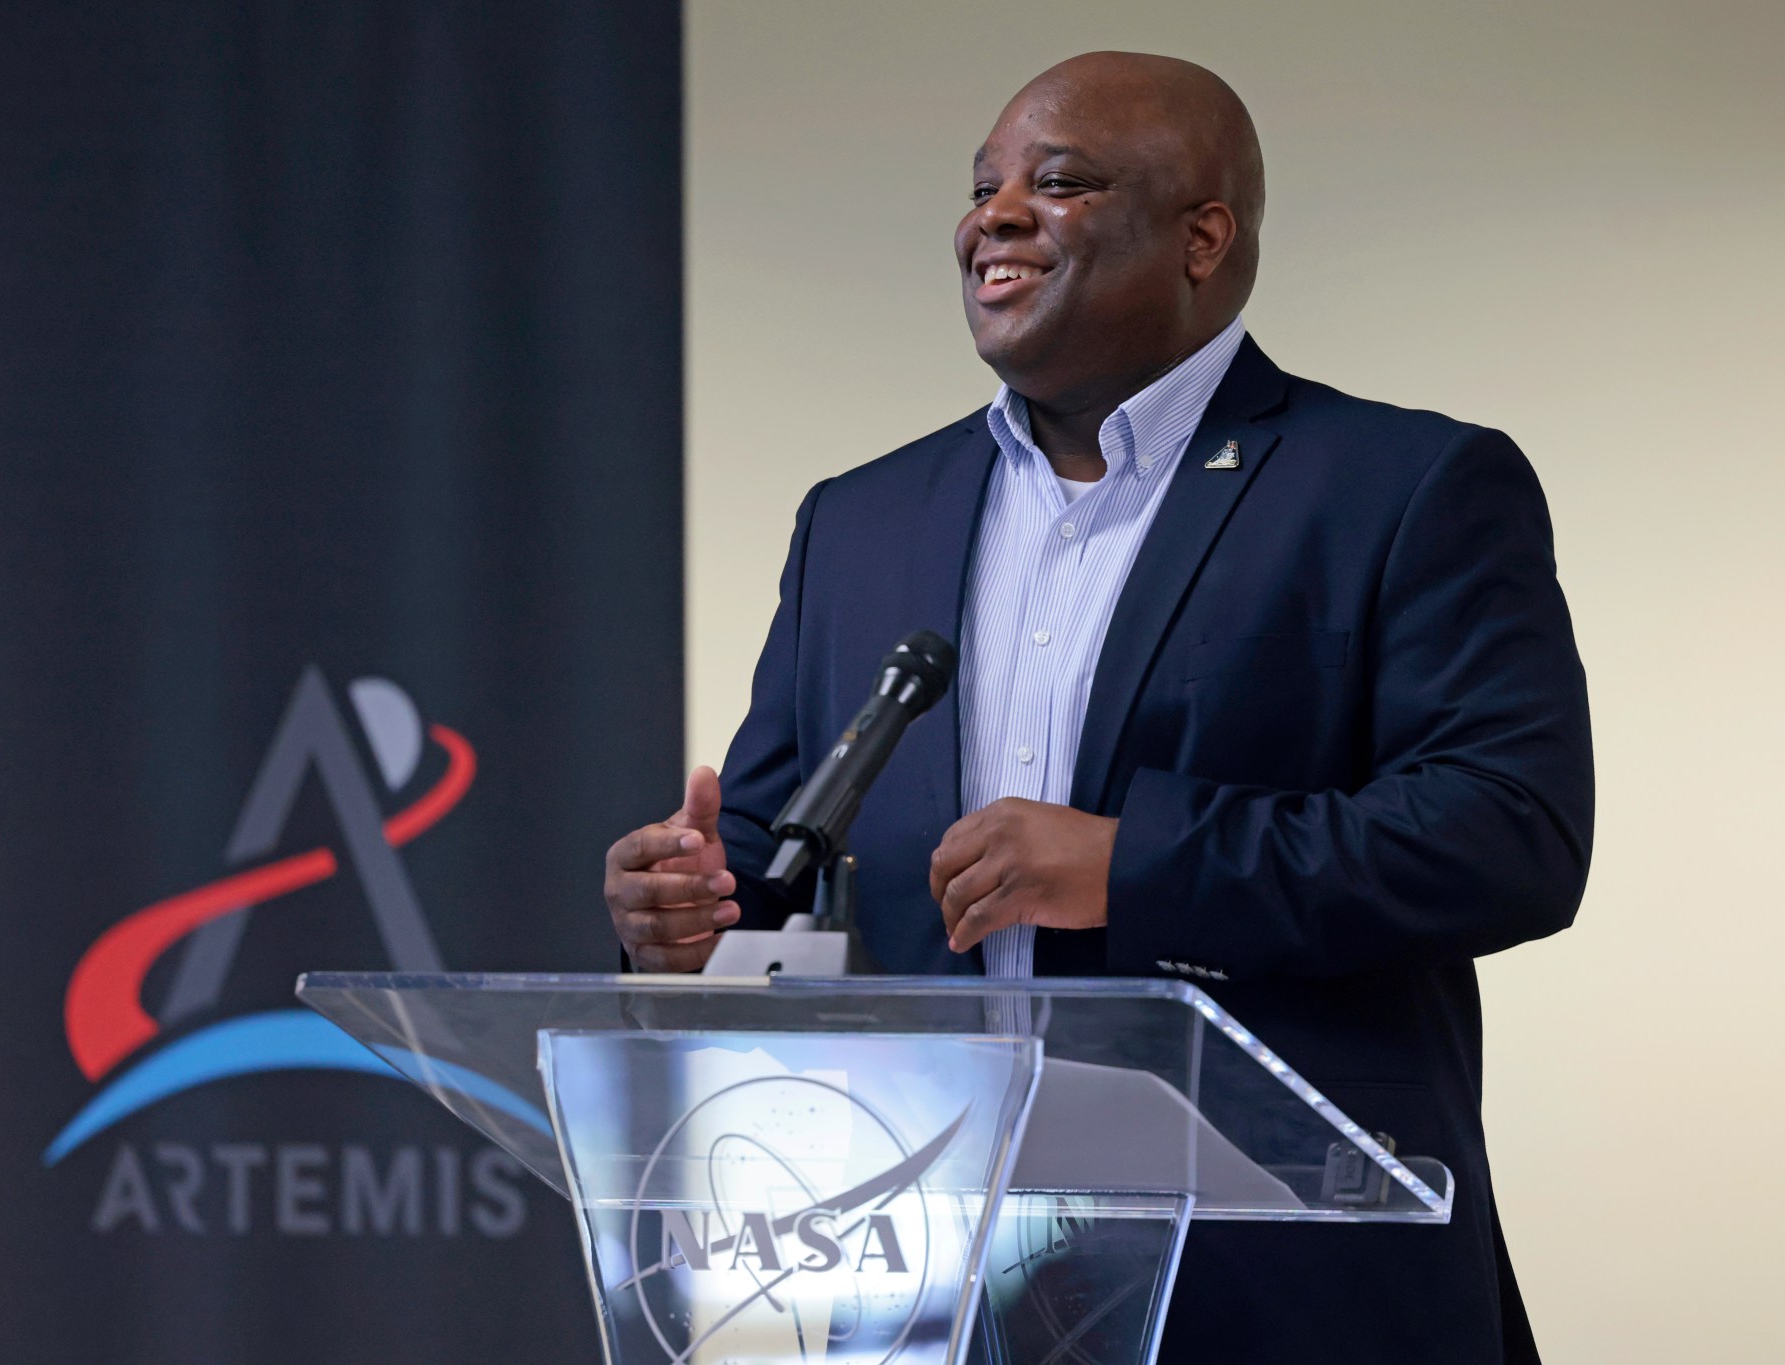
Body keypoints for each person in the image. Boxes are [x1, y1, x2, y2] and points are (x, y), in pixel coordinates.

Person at [603, 51, 1592, 1364]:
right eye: (982, 188)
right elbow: (777, 861)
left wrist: (1135, 865)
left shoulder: (1402, 487)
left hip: (1286, 1287)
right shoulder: (863, 519)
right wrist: (686, 920)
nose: (993, 216)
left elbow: (1505, 833)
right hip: (926, 1288)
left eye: (1059, 183)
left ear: (1203, 237)